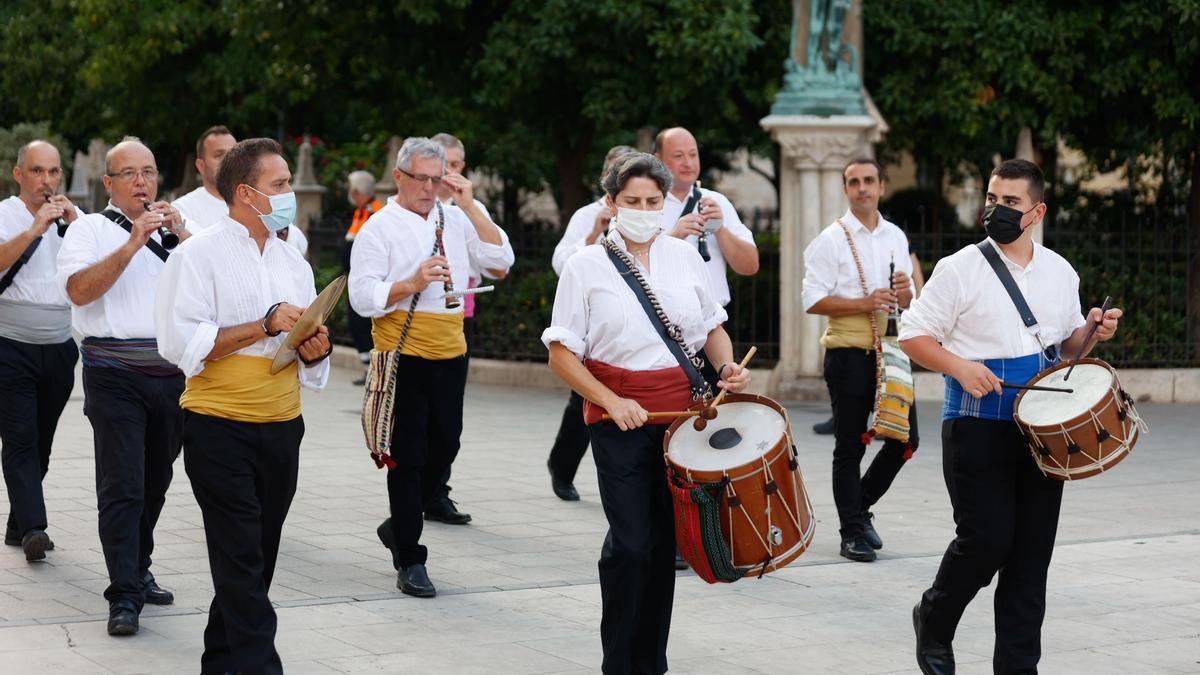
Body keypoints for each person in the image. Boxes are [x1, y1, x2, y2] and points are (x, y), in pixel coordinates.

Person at [901, 159, 1122, 675]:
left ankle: (1018, 668)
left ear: (1037, 211)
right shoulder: (958, 268)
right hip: (975, 424)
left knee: (1029, 560)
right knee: (988, 540)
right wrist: (958, 365)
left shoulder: (1060, 271)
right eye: (993, 199)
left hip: (1043, 433)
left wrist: (1092, 330)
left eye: (1011, 203)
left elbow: (1066, 349)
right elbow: (912, 334)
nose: (997, 210)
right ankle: (934, 616)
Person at [543, 152, 749, 674]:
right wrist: (611, 401)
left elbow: (711, 329)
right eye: (631, 201)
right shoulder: (586, 265)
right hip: (618, 420)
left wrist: (726, 369)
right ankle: (619, 661)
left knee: (663, 546)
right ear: (611, 203)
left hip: (682, 420)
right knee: (632, 544)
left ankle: (650, 662)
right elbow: (561, 353)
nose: (642, 209)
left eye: (653, 201)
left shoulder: (685, 257)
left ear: (665, 202)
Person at [155, 137, 331, 675]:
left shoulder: (292, 259)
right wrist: (264, 322)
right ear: (246, 193)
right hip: (217, 427)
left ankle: (218, 661)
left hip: (282, 426)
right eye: (279, 186)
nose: (290, 194)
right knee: (240, 557)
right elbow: (179, 342)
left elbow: (302, 346)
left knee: (258, 557)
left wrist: (312, 346)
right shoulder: (196, 254)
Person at [349, 137, 513, 597]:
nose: (427, 187)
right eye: (419, 178)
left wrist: (472, 205)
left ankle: (398, 524)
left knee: (446, 444)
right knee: (408, 455)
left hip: (449, 350)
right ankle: (410, 557)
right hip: (402, 354)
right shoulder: (378, 227)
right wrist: (410, 282)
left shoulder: (456, 218)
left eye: (435, 179)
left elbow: (501, 263)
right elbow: (362, 297)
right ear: (399, 177)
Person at [56, 137, 189, 636]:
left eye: (149, 172)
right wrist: (134, 242)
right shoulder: (89, 229)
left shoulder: (177, 233)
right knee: (123, 486)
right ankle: (124, 594)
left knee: (156, 480)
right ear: (108, 183)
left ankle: (139, 565)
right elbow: (78, 291)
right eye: (129, 173)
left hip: (172, 374)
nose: (141, 182)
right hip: (114, 373)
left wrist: (182, 235)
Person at [802, 157, 919, 563]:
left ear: (882, 186)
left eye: (869, 180)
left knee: (906, 440)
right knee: (849, 446)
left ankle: (858, 507)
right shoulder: (830, 239)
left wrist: (904, 292)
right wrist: (864, 302)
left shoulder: (896, 236)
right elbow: (812, 299)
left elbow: (908, 300)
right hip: (848, 351)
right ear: (846, 189)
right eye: (854, 182)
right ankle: (852, 530)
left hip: (891, 351)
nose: (862, 188)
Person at [0, 140, 81, 562]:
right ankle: (35, 528)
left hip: (60, 347)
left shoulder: (74, 219)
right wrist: (34, 229)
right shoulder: (4, 214)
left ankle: (18, 523)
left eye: (53, 172)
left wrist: (74, 227)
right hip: (10, 345)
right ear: (19, 175)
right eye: (37, 171)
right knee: (20, 439)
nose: (46, 181)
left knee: (42, 442)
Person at [545, 144, 637, 501]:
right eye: (616, 173)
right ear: (604, 179)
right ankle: (562, 466)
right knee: (581, 399)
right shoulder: (588, 215)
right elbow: (561, 262)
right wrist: (593, 236)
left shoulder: (648, 213)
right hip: (592, 323)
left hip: (633, 324)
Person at [426, 132, 506, 520]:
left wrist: (471, 209)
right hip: (415, 323)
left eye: (457, 166)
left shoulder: (469, 209)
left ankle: (437, 489)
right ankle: (417, 490)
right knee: (418, 415)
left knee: (448, 415)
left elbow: (500, 266)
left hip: (459, 319)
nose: (450, 174)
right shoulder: (410, 211)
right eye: (444, 166)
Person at [655, 127, 758, 309]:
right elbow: (628, 262)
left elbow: (750, 266)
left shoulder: (717, 201)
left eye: (693, 155)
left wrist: (719, 229)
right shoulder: (644, 202)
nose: (688, 163)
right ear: (658, 159)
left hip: (712, 321)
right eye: (678, 156)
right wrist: (674, 236)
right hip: (660, 316)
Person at [173, 125, 310, 255]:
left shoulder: (265, 199)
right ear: (201, 166)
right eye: (219, 155)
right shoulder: (182, 209)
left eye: (232, 153)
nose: (228, 160)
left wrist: (280, 228)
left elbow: (299, 246)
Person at [344, 169, 381, 384]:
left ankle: (373, 369)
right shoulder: (360, 211)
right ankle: (368, 368)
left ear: (358, 191)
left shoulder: (375, 212)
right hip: (354, 278)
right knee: (356, 324)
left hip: (367, 278)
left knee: (363, 323)